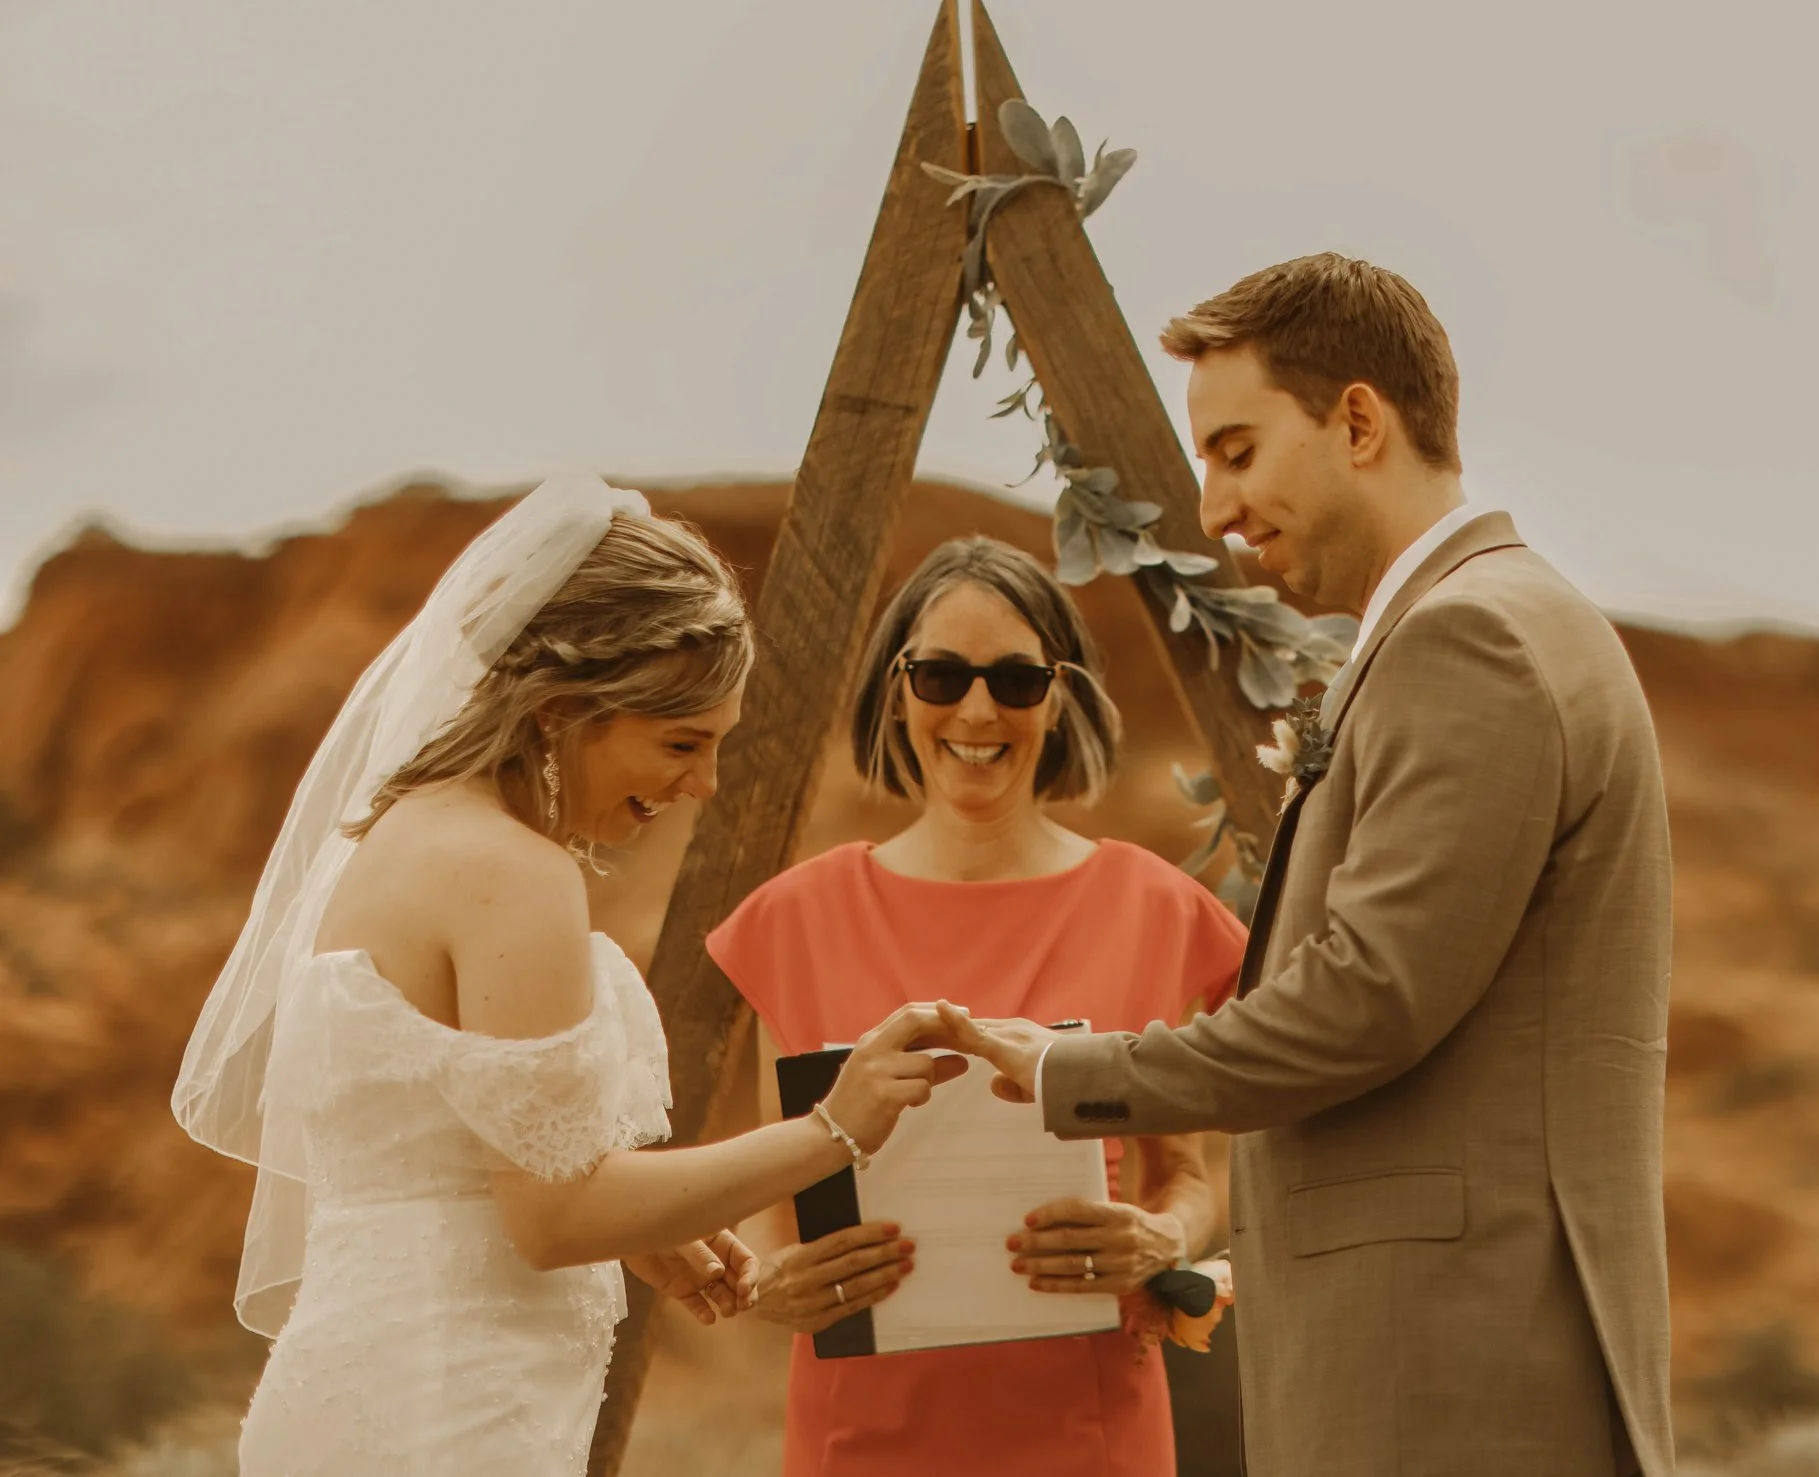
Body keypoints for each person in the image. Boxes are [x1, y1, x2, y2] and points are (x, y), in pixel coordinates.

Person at [944, 254, 1677, 1476]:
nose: (1217, 512)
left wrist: (1076, 1070)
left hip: (1448, 1364)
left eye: (1235, 452)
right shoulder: (1492, 621)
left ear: (1355, 420)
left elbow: (1365, 1001)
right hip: (1447, 1348)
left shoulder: (1471, 640)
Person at [171, 475, 960, 1476]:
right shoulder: (514, 874)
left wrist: (646, 1224)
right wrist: (831, 1129)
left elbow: (452, 1159)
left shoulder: (397, 833)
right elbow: (554, 1215)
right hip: (448, 1414)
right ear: (558, 710)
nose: (702, 785)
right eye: (680, 742)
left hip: (361, 1388)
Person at [700, 536, 1247, 1477]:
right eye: (942, 675)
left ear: (1061, 693)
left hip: (1094, 1432)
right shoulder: (796, 917)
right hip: (854, 1438)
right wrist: (770, 1284)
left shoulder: (1154, 906)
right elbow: (772, 1203)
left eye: (1017, 679)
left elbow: (1186, 1177)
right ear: (896, 688)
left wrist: (1167, 1236)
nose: (977, 709)